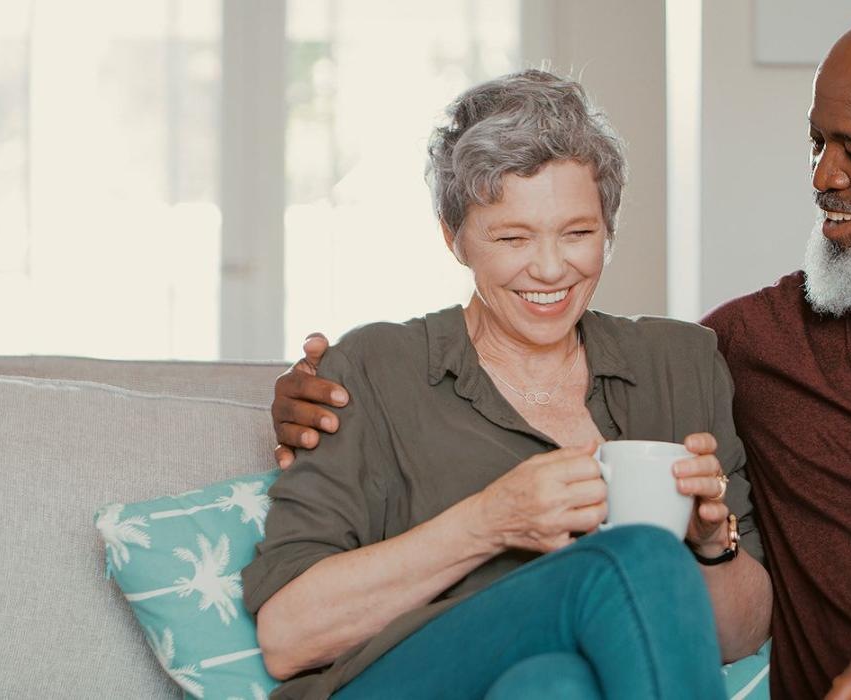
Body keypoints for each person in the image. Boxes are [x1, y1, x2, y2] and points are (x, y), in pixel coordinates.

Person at [273, 3, 851, 698]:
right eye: (815, 143)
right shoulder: (748, 344)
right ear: (457, 236)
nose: (821, 177)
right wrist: (305, 394)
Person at [244, 69, 771, 700]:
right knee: (643, 557)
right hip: (396, 684)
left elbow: (742, 636)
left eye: (578, 233)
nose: (550, 268)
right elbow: (287, 638)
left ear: (609, 228)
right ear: (455, 238)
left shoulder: (679, 362)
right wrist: (491, 522)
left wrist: (713, 546)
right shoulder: (374, 366)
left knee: (556, 686)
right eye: (511, 237)